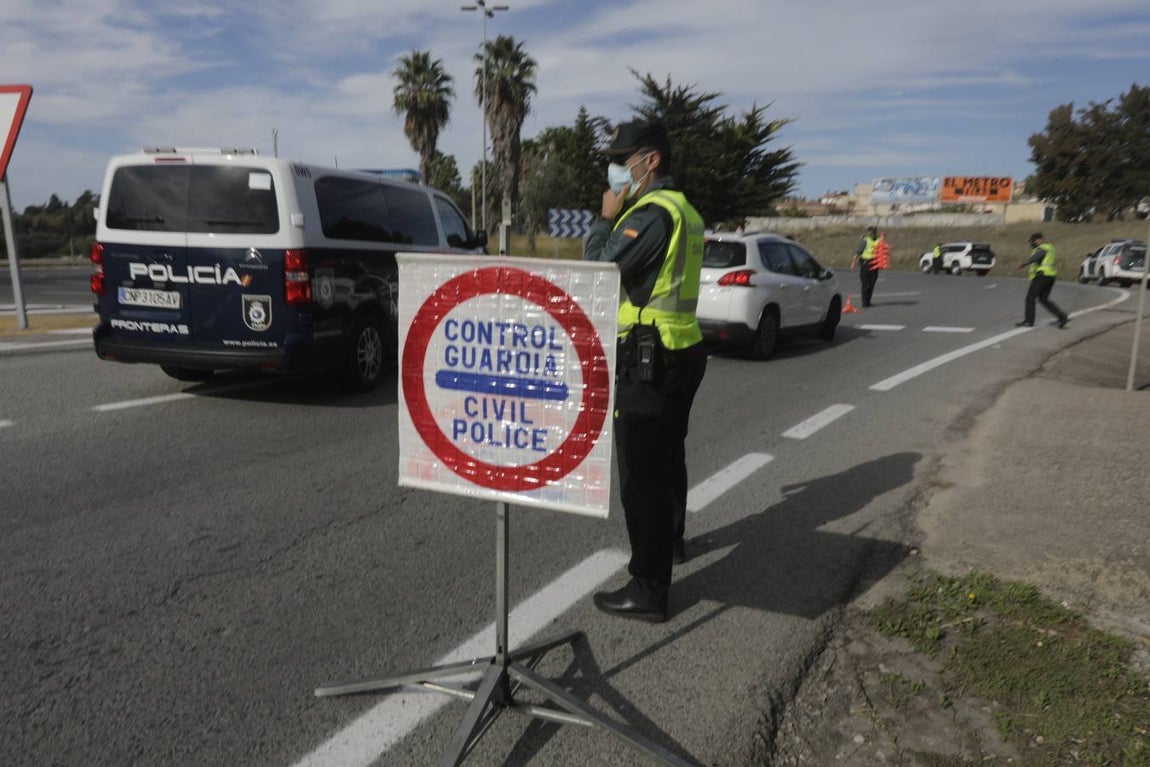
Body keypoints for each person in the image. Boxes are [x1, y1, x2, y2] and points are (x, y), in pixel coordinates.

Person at [582, 119, 708, 623]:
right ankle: (671, 542)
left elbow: (598, 270)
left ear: (650, 160)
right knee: (668, 457)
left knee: (641, 476)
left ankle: (649, 588)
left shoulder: (651, 214)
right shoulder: (686, 211)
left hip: (650, 357)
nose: (617, 169)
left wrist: (603, 218)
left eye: (623, 159)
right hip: (681, 347)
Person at [1015, 232, 1069, 328]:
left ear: (1039, 240)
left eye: (1033, 241)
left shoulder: (1043, 248)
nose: (1031, 243)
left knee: (1030, 298)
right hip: (1050, 276)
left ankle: (1029, 321)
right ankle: (1062, 317)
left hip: (1042, 276)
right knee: (1043, 299)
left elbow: (1036, 257)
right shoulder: (1050, 248)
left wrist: (1024, 264)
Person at [850, 226, 881, 306]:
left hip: (875, 264)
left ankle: (868, 301)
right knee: (865, 283)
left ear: (875, 233)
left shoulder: (879, 241)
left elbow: (882, 251)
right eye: (870, 232)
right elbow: (858, 252)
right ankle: (864, 302)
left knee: (872, 283)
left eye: (873, 232)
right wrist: (853, 262)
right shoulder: (865, 241)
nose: (871, 234)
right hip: (865, 264)